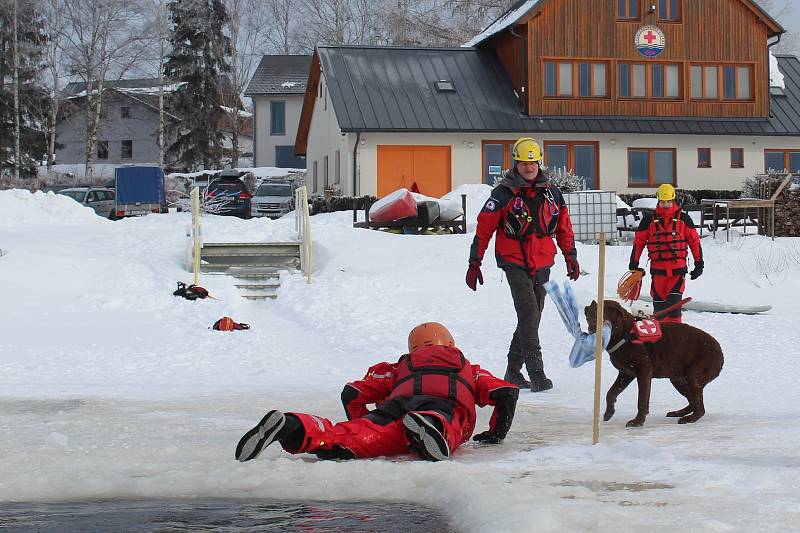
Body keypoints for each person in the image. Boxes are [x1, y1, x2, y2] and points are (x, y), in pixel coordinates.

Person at [235, 322, 519, 463]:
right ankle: (428, 425)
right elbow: (506, 394)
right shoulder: (470, 368)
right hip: (442, 407)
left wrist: (369, 419)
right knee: (445, 422)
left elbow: (353, 393)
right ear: (450, 342)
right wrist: (496, 434)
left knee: (345, 438)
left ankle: (292, 425)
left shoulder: (398, 368)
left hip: (394, 408)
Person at [466, 137, 579, 392]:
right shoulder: (503, 194)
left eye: (532, 163)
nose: (528, 168)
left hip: (542, 260)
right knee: (529, 312)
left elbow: (563, 226)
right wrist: (475, 262)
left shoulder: (552, 192)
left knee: (533, 314)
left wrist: (570, 256)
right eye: (523, 163)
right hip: (514, 260)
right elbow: (483, 229)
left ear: (539, 163)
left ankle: (512, 371)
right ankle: (536, 373)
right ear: (515, 163)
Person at [628, 183, 703, 323]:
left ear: (673, 200)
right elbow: (638, 243)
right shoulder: (648, 221)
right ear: (658, 201)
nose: (666, 204)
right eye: (663, 202)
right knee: (660, 310)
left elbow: (694, 242)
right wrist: (634, 263)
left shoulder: (684, 219)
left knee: (674, 307)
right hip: (658, 272)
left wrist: (699, 264)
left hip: (677, 271)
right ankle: (660, 340)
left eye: (668, 201)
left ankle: (675, 338)